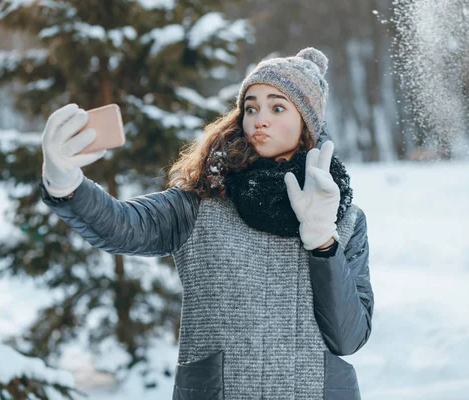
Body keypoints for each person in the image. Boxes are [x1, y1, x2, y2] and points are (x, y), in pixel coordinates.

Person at [40, 47, 374, 400]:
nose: (260, 119)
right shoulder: (202, 202)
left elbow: (348, 337)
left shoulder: (346, 219)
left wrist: (325, 243)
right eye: (251, 107)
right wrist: (65, 184)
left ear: (308, 122)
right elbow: (124, 225)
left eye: (278, 107)